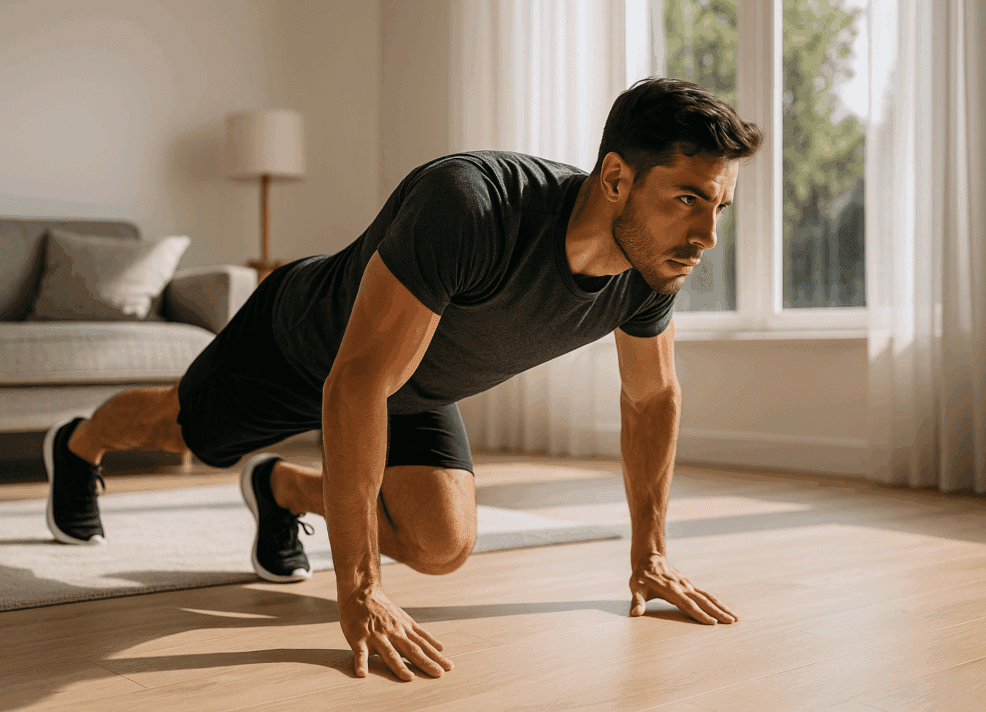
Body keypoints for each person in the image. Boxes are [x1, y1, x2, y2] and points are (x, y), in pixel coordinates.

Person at [43, 77, 763, 682]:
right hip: (298, 346)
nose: (706, 238)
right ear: (615, 178)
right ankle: (77, 447)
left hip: (410, 384)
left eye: (718, 208)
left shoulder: (650, 270)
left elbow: (651, 397)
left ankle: (282, 489)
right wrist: (359, 589)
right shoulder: (472, 205)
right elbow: (353, 383)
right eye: (688, 200)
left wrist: (650, 555)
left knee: (441, 544)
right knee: (176, 430)